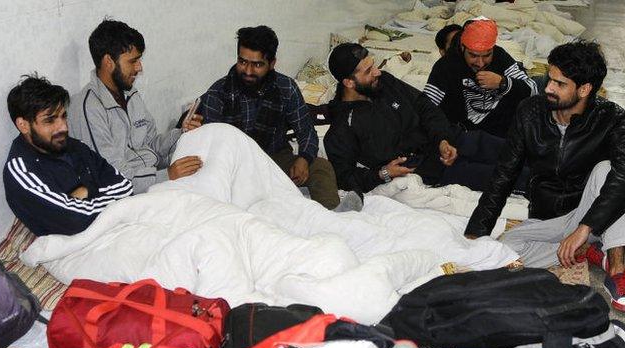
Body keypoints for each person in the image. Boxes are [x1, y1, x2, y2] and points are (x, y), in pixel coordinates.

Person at [464, 41, 625, 313]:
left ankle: (617, 271)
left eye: (560, 84)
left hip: (587, 212)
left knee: (610, 171)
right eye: (550, 78)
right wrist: (476, 234)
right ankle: (585, 250)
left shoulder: (610, 117)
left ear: (584, 90)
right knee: (507, 247)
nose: (548, 87)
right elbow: (504, 175)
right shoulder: (530, 111)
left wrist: (584, 228)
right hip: (548, 216)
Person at [198, 25, 341, 210]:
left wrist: (304, 159)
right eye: (242, 62)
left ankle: (333, 220)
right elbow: (211, 147)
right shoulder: (218, 93)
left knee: (321, 168)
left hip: (275, 159)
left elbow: (306, 132)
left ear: (272, 63)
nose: (248, 71)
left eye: (257, 64)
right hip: (235, 167)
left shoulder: (285, 88)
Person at [70, 19, 202, 193]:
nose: (139, 67)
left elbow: (151, 144)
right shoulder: (89, 109)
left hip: (155, 180)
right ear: (108, 61)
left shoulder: (130, 94)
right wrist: (167, 176)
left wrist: (181, 134)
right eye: (133, 61)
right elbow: (112, 178)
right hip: (126, 196)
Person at [3, 75, 133, 236]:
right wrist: (98, 194)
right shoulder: (21, 169)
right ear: (23, 125)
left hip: (116, 229)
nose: (63, 127)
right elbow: (74, 221)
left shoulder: (74, 146)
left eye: (63, 116)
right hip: (75, 248)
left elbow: (125, 187)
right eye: (50, 121)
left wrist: (86, 191)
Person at [323, 43, 459, 196]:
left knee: (488, 146)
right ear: (349, 82)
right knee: (489, 177)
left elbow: (423, 105)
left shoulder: (384, 83)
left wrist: (442, 139)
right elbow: (344, 177)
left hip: (448, 143)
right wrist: (382, 173)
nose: (377, 72)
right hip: (427, 170)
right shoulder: (343, 126)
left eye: (373, 65)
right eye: (368, 71)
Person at [425, 18, 538, 193]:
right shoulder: (446, 66)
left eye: (486, 55)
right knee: (508, 175)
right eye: (473, 56)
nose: (480, 63)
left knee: (533, 162)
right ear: (463, 48)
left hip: (500, 135)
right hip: (462, 139)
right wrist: (442, 138)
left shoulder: (501, 57)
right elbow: (426, 107)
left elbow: (532, 90)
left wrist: (503, 83)